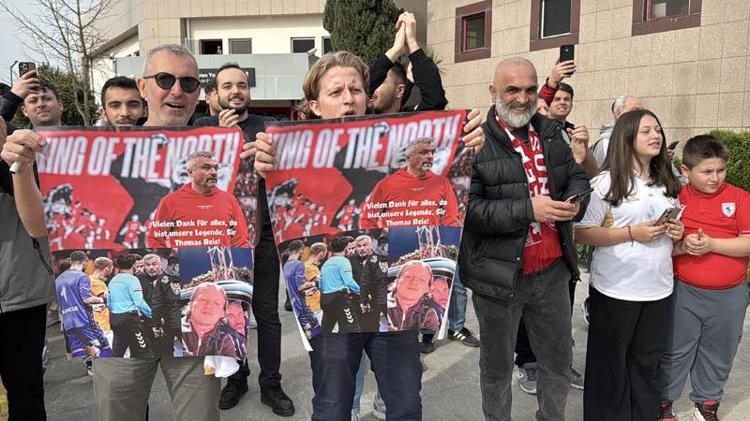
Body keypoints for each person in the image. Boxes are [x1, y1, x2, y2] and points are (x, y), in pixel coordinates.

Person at [251, 50, 485, 421]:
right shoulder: (288, 153)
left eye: (356, 90)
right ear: (314, 105)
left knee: (406, 404)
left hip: (392, 302)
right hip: (332, 306)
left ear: (367, 96)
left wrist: (466, 139)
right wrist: (263, 167)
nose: (348, 99)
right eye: (336, 91)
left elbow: (440, 135)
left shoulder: (397, 145)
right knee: (332, 406)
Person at [92, 44, 222, 421]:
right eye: (165, 79)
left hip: (194, 311)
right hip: (124, 314)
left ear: (199, 92)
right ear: (143, 86)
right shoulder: (108, 153)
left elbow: (246, 233)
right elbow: (40, 227)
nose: (177, 90)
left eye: (188, 82)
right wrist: (23, 169)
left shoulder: (221, 155)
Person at [460, 57, 591, 421]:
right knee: (497, 370)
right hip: (498, 279)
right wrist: (528, 209)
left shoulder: (550, 131)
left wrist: (575, 200)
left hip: (552, 273)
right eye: (512, 90)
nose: (523, 98)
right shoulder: (474, 142)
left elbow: (576, 176)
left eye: (531, 89)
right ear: (493, 92)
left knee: (558, 363)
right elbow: (468, 211)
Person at [194, 62, 294, 416]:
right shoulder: (201, 129)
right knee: (229, 311)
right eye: (227, 86)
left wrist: (270, 166)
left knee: (267, 314)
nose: (235, 91)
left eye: (241, 85)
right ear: (215, 94)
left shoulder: (269, 127)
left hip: (262, 236)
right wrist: (220, 144)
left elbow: (292, 173)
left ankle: (272, 384)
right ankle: (236, 379)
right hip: (220, 240)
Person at [575, 109, 683, 420]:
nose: (656, 136)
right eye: (646, 131)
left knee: (647, 364)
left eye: (658, 130)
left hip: (658, 289)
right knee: (609, 366)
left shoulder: (667, 182)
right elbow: (582, 232)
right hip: (616, 289)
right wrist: (631, 233)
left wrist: (676, 232)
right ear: (627, 138)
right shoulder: (606, 183)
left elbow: (673, 233)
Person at [657, 135, 750, 421]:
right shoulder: (674, 198)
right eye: (707, 171)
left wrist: (712, 244)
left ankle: (707, 403)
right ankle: (662, 403)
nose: (715, 178)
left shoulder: (740, 198)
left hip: (730, 294)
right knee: (674, 350)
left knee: (719, 351)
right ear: (686, 171)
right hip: (683, 291)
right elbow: (659, 244)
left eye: (720, 170)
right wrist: (682, 245)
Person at [0, 116, 56, 421]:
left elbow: (41, 220)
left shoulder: (25, 149)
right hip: (19, 292)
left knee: (26, 395)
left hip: (19, 296)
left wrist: (15, 159)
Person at [147, 150, 249, 248]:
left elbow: (241, 241)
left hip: (221, 260)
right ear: (190, 172)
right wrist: (174, 258)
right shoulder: (170, 201)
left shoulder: (230, 200)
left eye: (215, 168)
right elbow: (155, 240)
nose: (213, 172)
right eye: (206, 168)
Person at [359, 137, 459, 229]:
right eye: (423, 153)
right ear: (408, 158)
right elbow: (367, 221)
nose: (429, 156)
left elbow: (451, 221)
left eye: (431, 153)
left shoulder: (442, 183)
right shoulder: (385, 185)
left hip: (430, 242)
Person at [368, 11, 447, 113]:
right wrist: (395, 50)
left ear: (400, 91)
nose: (374, 85)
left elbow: (435, 101)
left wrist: (412, 43)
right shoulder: (358, 114)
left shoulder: (413, 120)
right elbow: (363, 88)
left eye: (381, 81)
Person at [55, 251, 110, 358]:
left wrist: (93, 307)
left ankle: (87, 367)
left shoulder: (58, 280)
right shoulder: (81, 276)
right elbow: (87, 299)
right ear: (85, 262)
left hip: (68, 323)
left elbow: (70, 301)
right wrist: (103, 299)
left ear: (71, 261)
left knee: (79, 351)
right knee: (104, 346)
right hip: (83, 321)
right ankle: (105, 366)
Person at [108, 253, 154, 358]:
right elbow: (139, 302)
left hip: (115, 319)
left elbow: (109, 303)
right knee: (145, 351)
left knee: (118, 353)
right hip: (129, 320)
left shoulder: (113, 280)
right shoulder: (133, 280)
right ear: (134, 265)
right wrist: (153, 315)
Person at [320, 236, 362, 334]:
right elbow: (349, 281)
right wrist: (362, 292)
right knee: (352, 328)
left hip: (325, 299)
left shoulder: (326, 263)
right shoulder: (344, 261)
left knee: (326, 330)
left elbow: (321, 285)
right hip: (339, 299)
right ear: (346, 247)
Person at [143, 253, 183, 356]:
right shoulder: (140, 280)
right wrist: (156, 323)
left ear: (161, 265)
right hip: (156, 322)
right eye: (148, 265)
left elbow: (156, 303)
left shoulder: (164, 278)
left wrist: (156, 324)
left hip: (170, 321)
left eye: (154, 264)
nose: (151, 268)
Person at [182, 282, 236, 357]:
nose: (209, 306)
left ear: (222, 313)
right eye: (203, 299)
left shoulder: (225, 341)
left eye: (216, 303)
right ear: (191, 304)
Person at [591, 95, 644, 168]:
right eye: (635, 111)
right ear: (618, 113)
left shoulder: (639, 139)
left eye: (642, 111)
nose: (641, 115)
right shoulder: (607, 142)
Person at [282, 240, 320, 337]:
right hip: (302, 308)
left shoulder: (286, 265)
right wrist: (315, 283)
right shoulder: (298, 264)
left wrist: (306, 293)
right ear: (300, 250)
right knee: (316, 331)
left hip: (296, 305)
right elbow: (300, 286)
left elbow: (293, 288)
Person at [387, 261, 440, 332]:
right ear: (397, 281)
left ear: (428, 288)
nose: (414, 282)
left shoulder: (428, 315)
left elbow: (430, 338)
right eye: (409, 277)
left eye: (422, 280)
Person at [304, 242, 327, 315]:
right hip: (313, 307)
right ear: (321, 253)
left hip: (316, 304)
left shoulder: (312, 266)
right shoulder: (309, 267)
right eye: (325, 253)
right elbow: (318, 283)